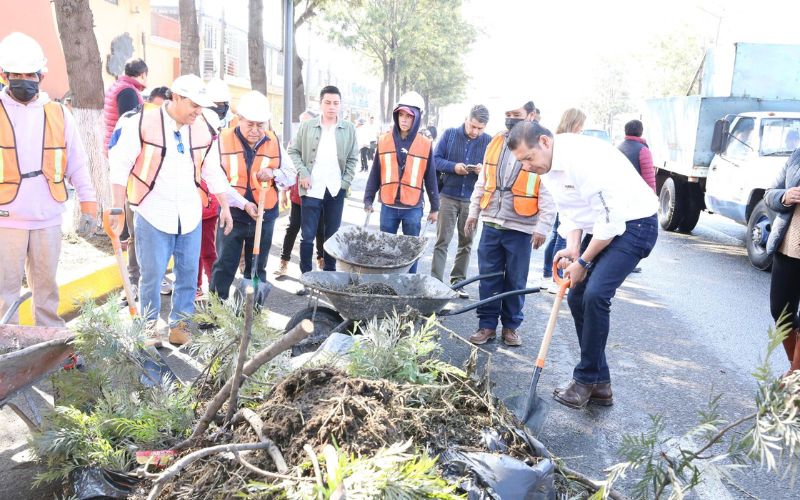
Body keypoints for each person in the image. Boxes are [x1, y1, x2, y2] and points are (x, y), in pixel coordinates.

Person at [507, 121, 658, 408]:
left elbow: (611, 221)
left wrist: (584, 262)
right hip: (602, 224)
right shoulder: (547, 166)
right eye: (521, 161)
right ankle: (600, 384)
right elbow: (573, 210)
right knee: (577, 296)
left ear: (545, 142)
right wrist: (574, 249)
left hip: (635, 223)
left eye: (528, 158)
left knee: (596, 294)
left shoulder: (582, 160)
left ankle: (586, 379)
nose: (526, 166)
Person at [108, 74, 249, 345]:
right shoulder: (142, 121)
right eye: (194, 105)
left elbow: (212, 170)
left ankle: (180, 325)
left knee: (186, 274)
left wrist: (226, 206)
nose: (198, 111)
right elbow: (120, 164)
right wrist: (116, 208)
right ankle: (148, 326)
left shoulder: (203, 128)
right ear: (177, 98)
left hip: (189, 213)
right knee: (152, 275)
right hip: (152, 212)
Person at [0, 32, 97, 326]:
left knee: (46, 290)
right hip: (6, 219)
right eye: (15, 74)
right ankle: (8, 351)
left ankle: (50, 344)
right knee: (5, 293)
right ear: (2, 75)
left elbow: (78, 163)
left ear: (41, 75)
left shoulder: (58, 113)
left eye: (29, 74)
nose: (23, 80)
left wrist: (89, 204)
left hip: (48, 217)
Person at [464, 100, 555, 347]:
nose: (510, 119)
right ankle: (487, 325)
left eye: (516, 114)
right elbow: (483, 179)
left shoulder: (541, 146)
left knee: (516, 279)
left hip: (521, 227)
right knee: (489, 276)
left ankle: (511, 327)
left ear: (531, 116)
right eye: (507, 114)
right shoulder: (495, 142)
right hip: (492, 222)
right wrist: (473, 212)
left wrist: (542, 227)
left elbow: (547, 190)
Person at [210, 91, 296, 300]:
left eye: (261, 125)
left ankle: (250, 310)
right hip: (232, 215)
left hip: (264, 216)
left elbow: (291, 176)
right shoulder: (222, 140)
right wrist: (243, 203)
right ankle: (214, 312)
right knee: (225, 264)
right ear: (239, 119)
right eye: (250, 124)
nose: (256, 130)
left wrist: (274, 173)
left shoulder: (273, 141)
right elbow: (215, 178)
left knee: (257, 266)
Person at [288, 85, 358, 294]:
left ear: (340, 105)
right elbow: (293, 151)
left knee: (331, 236)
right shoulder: (308, 126)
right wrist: (303, 173)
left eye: (336, 103)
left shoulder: (348, 128)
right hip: (312, 188)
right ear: (320, 104)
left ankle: (329, 277)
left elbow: (354, 159)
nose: (331, 107)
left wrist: (345, 183)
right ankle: (306, 279)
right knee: (307, 235)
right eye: (327, 102)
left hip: (336, 190)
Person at [364, 91, 440, 273]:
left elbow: (430, 177)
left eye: (409, 116)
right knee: (384, 249)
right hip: (389, 206)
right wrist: (368, 198)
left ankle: (408, 283)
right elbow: (375, 171)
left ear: (418, 117)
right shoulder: (384, 141)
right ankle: (385, 283)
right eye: (401, 115)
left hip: (413, 208)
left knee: (411, 251)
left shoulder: (425, 144)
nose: (404, 120)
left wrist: (435, 208)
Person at [430, 104, 492, 297]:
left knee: (466, 243)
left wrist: (484, 171)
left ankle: (458, 283)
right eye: (472, 126)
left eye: (480, 128)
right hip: (447, 196)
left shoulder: (489, 142)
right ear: (466, 118)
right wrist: (454, 167)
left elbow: (494, 171)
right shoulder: (449, 134)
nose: (475, 132)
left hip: (471, 200)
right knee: (442, 242)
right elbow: (434, 160)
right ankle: (435, 284)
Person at [541, 108, 586, 293]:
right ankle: (556, 278)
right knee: (562, 235)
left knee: (556, 234)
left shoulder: (554, 139)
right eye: (581, 125)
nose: (582, 129)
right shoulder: (567, 144)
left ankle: (548, 275)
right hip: (565, 196)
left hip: (561, 195)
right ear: (576, 124)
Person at [764, 150, 800, 375]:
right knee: (780, 310)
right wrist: (784, 197)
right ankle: (795, 371)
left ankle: (795, 378)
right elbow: (769, 194)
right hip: (788, 248)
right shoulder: (797, 156)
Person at [103, 58, 148, 153]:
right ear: (143, 75)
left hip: (114, 143)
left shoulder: (119, 85)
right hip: (121, 148)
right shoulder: (128, 92)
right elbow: (129, 126)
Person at [618, 120, 656, 192]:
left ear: (625, 131)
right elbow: (649, 178)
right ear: (641, 132)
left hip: (619, 191)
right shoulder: (643, 150)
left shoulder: (618, 148)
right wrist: (652, 196)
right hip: (635, 193)